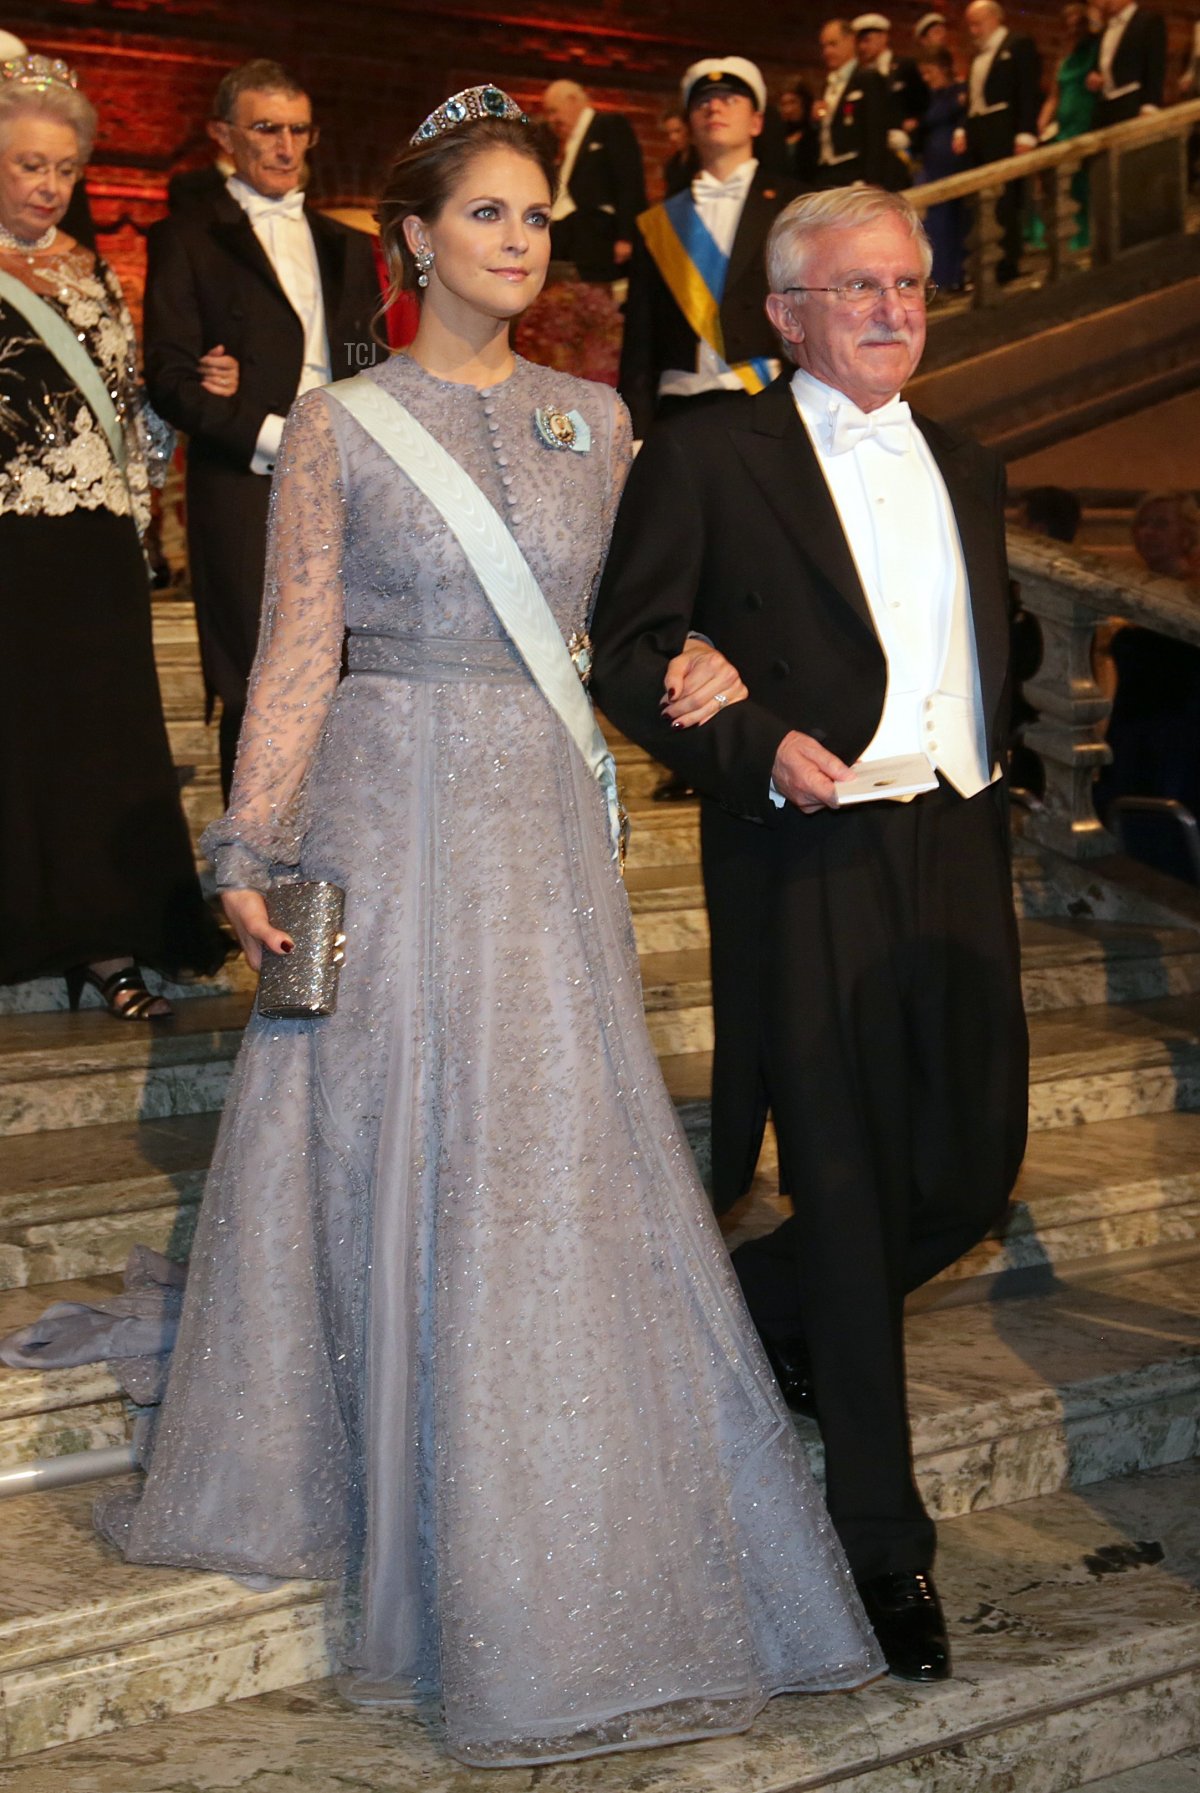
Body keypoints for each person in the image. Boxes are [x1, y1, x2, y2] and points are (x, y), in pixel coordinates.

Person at [8, 87, 881, 1767]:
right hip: (384, 804)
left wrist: (704, 669)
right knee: (384, 1135)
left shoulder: (596, 420)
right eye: (485, 213)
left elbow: (642, 627)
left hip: (544, 819)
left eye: (536, 218)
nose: (517, 239)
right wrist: (251, 837)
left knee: (541, 1152)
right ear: (411, 239)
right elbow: (296, 647)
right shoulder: (343, 423)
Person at [592, 185, 1030, 1684]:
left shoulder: (966, 458)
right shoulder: (715, 450)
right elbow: (629, 642)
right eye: (860, 290)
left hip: (958, 837)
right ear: (786, 314)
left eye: (910, 284)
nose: (896, 310)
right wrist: (754, 736)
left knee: (971, 1168)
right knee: (845, 1195)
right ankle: (879, 1548)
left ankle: (743, 1316)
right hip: (808, 847)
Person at [0, 54, 226, 1012]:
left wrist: (195, 393)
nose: (49, 185)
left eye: (63, 168)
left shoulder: (89, 270)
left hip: (94, 545)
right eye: (26, 165)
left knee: (106, 742)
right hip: (9, 544)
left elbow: (128, 410)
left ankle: (109, 941)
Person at [142, 58, 382, 800]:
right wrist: (272, 432)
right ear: (224, 135)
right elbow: (173, 380)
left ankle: (342, 886)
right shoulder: (189, 237)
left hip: (346, 485)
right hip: (247, 484)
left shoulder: (346, 242)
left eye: (297, 130)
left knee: (348, 681)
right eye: (265, 128)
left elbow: (373, 362)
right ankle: (254, 891)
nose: (284, 146)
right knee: (256, 687)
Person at [618, 56, 799, 442]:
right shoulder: (658, 223)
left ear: (757, 121)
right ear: (688, 126)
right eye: (703, 102)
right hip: (678, 407)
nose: (714, 107)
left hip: (764, 398)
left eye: (730, 99)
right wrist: (635, 432)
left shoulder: (794, 205)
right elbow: (640, 341)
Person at [957, 0, 1042, 284]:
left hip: (1003, 129)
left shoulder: (1017, 44)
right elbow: (974, 96)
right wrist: (964, 128)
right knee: (983, 201)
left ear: (994, 19)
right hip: (980, 129)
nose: (973, 30)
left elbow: (1027, 89)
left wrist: (1026, 133)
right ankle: (990, 264)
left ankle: (1008, 263)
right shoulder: (978, 55)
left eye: (977, 23)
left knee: (1005, 199)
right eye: (970, 24)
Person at [542, 79, 645, 280]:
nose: (552, 119)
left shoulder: (610, 125)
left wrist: (626, 236)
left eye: (554, 111)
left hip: (598, 236)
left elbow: (629, 182)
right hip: (565, 235)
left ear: (573, 100)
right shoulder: (563, 143)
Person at [1037, 2, 1099, 248]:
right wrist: (1043, 120)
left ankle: (1087, 235)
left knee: (1084, 180)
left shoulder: (1094, 48)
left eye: (1077, 21)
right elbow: (1055, 94)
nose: (1073, 27)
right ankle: (1069, 236)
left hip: (1086, 118)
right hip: (1064, 124)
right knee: (1064, 181)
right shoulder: (1064, 56)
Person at [853, 11, 930, 186]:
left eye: (867, 40)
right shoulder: (860, 77)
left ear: (883, 37)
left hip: (905, 150)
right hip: (878, 153)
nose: (863, 48)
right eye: (860, 43)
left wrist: (913, 129)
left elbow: (923, 103)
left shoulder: (905, 67)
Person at [813, 18, 890, 190]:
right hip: (828, 170)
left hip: (855, 170)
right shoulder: (828, 83)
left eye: (833, 44)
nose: (827, 51)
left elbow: (876, 130)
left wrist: (872, 179)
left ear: (850, 41)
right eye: (824, 46)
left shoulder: (868, 78)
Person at [914, 45, 968, 287]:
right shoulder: (931, 98)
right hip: (933, 165)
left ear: (943, 68)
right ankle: (939, 277)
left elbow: (964, 117)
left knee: (952, 222)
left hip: (952, 164)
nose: (926, 78)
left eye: (930, 72)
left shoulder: (960, 91)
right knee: (934, 225)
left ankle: (954, 276)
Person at [1087, 0, 1166, 125]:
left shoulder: (1148, 21)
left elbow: (1155, 66)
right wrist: (1096, 74)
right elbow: (1105, 60)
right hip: (1105, 106)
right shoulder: (1107, 25)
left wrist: (1149, 106)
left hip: (1132, 103)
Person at [778, 76, 818, 183]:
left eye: (793, 102)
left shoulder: (814, 135)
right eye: (784, 104)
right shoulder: (776, 137)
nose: (788, 109)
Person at [661, 104, 693, 194]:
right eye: (669, 133)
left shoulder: (703, 159)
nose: (672, 138)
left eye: (677, 131)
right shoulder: (672, 164)